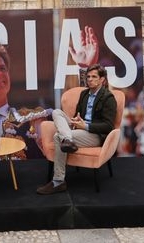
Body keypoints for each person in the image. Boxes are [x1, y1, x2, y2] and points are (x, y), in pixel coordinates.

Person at [36, 64, 116, 195]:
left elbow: (108, 126)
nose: (90, 79)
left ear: (102, 79)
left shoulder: (108, 98)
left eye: (94, 76)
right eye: (88, 76)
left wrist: (85, 126)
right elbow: (78, 114)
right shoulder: (84, 94)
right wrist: (76, 120)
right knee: (57, 112)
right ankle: (67, 139)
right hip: (79, 129)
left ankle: (58, 181)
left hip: (94, 134)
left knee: (57, 137)